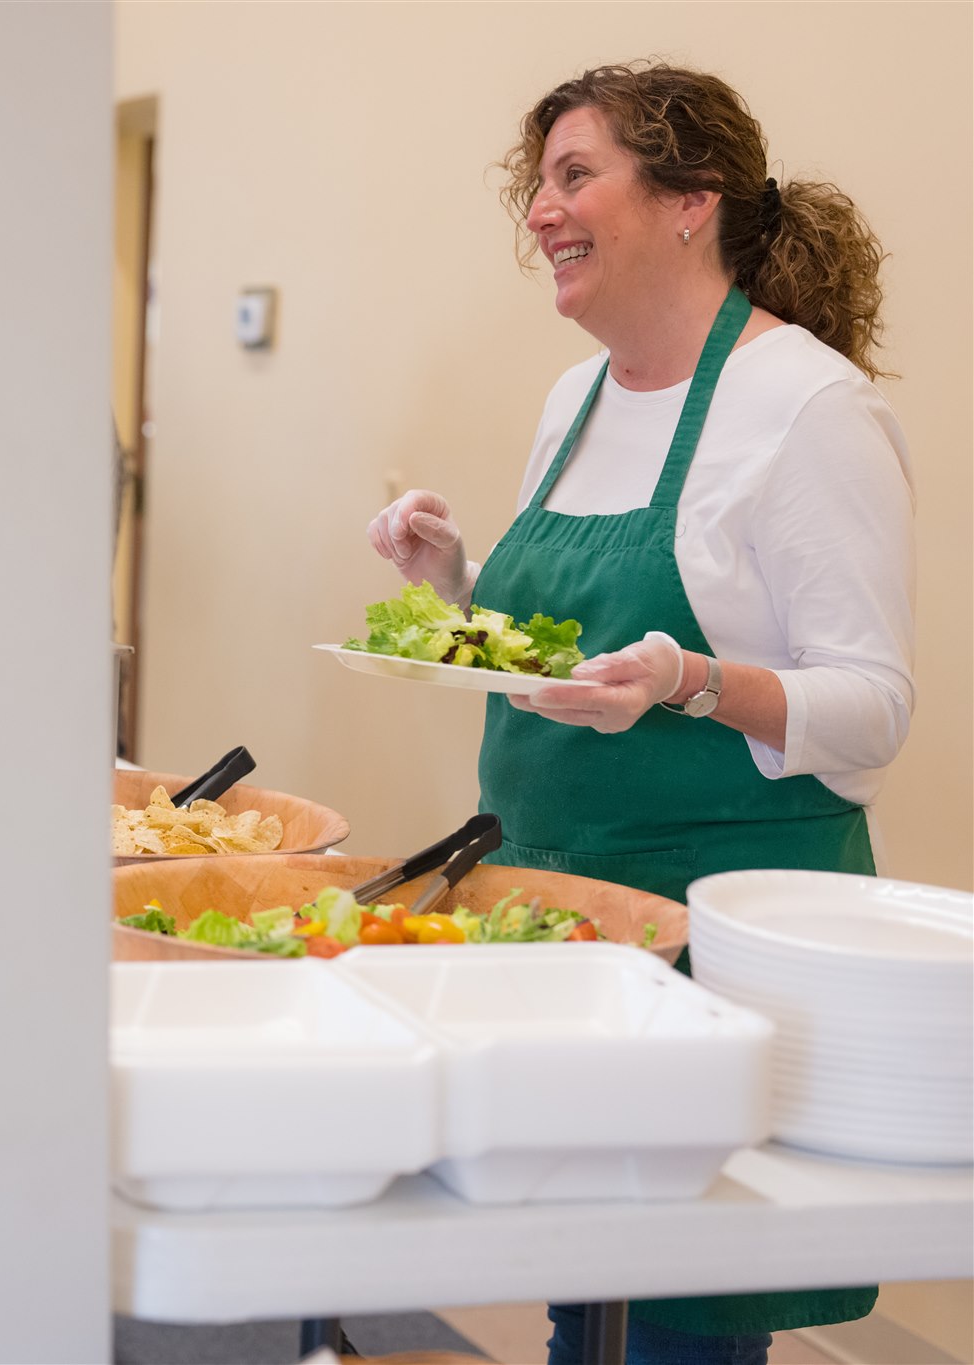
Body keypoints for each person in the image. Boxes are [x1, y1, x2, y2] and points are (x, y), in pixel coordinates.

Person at [367, 62, 912, 1365]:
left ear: (689, 203)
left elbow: (875, 707)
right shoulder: (578, 398)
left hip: (706, 955)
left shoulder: (808, 408)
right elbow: (553, 656)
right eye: (538, 186)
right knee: (581, 1295)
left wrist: (693, 680)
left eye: (575, 175)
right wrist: (455, 587)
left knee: (674, 1327)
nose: (542, 213)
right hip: (553, 924)